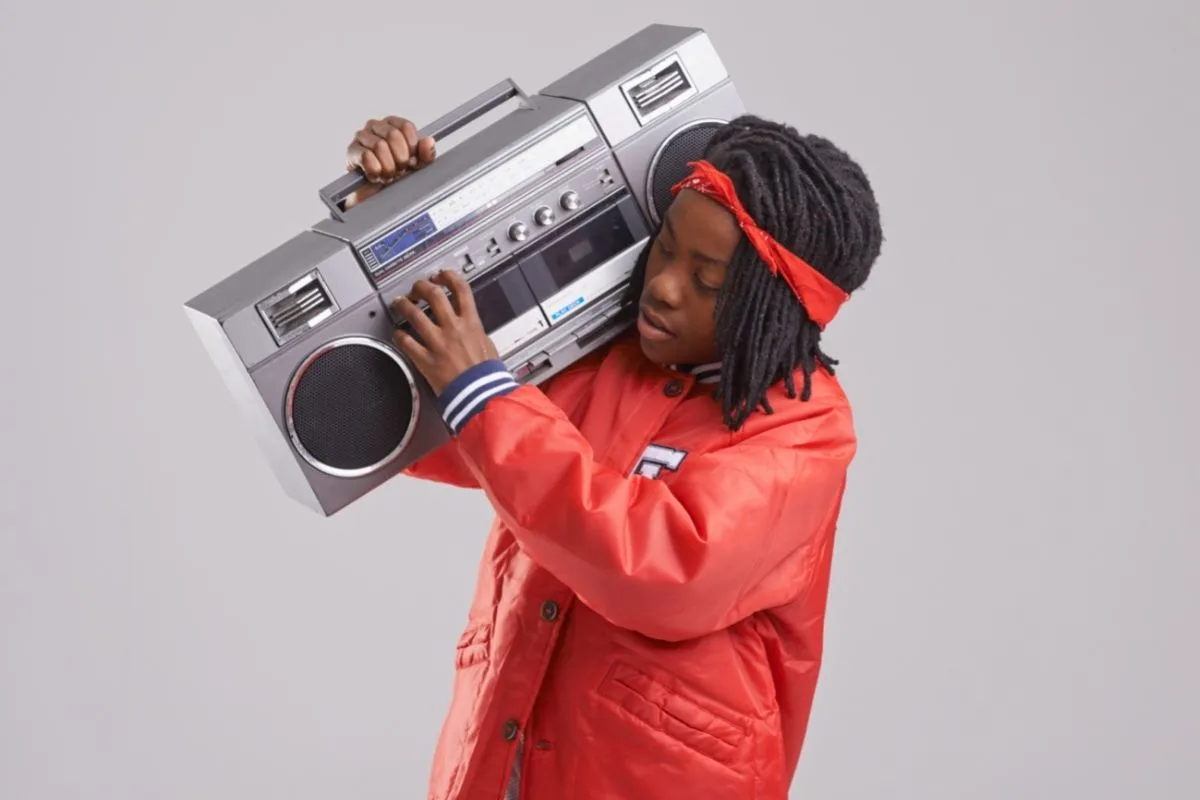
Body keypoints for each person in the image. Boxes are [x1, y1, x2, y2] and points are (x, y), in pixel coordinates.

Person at [341, 111, 883, 799]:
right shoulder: (608, 363)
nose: (663, 285)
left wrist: (483, 392)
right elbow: (445, 432)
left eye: (709, 281)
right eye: (666, 248)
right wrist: (398, 228)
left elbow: (661, 570)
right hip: (503, 754)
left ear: (773, 305)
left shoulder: (805, 431)